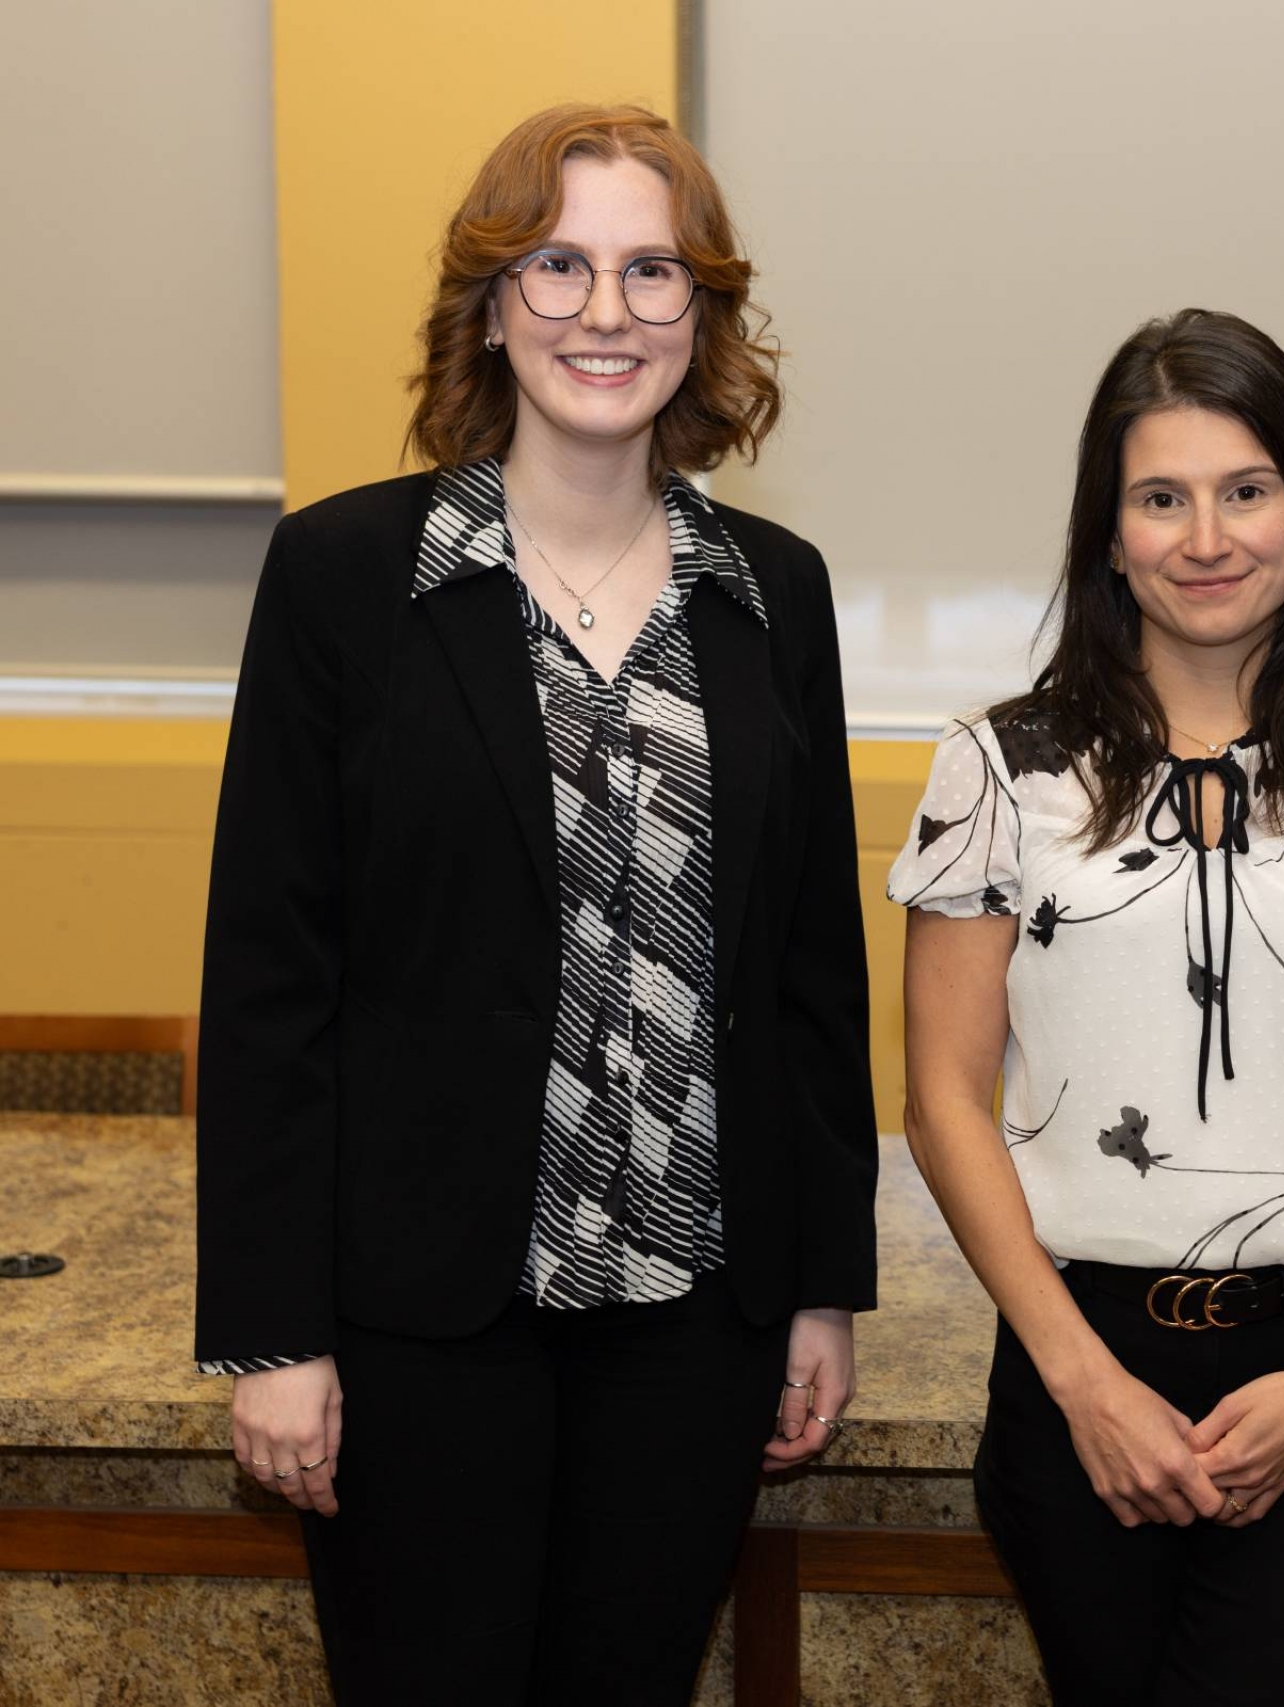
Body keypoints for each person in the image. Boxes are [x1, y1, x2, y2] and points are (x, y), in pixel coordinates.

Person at [193, 103, 877, 1703]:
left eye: (653, 272)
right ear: (490, 302)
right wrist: (272, 1333)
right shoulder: (344, 578)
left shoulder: (776, 592)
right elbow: (268, 975)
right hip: (420, 1321)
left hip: (694, 1315)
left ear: (701, 313)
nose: (604, 312)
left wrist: (821, 1283)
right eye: (557, 264)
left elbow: (808, 974)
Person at [892, 307, 1284, 1706]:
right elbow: (941, 1096)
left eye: (1247, 490)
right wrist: (1084, 1384)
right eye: (1160, 498)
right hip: (1075, 1372)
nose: (1207, 535)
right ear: (1108, 537)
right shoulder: (996, 770)